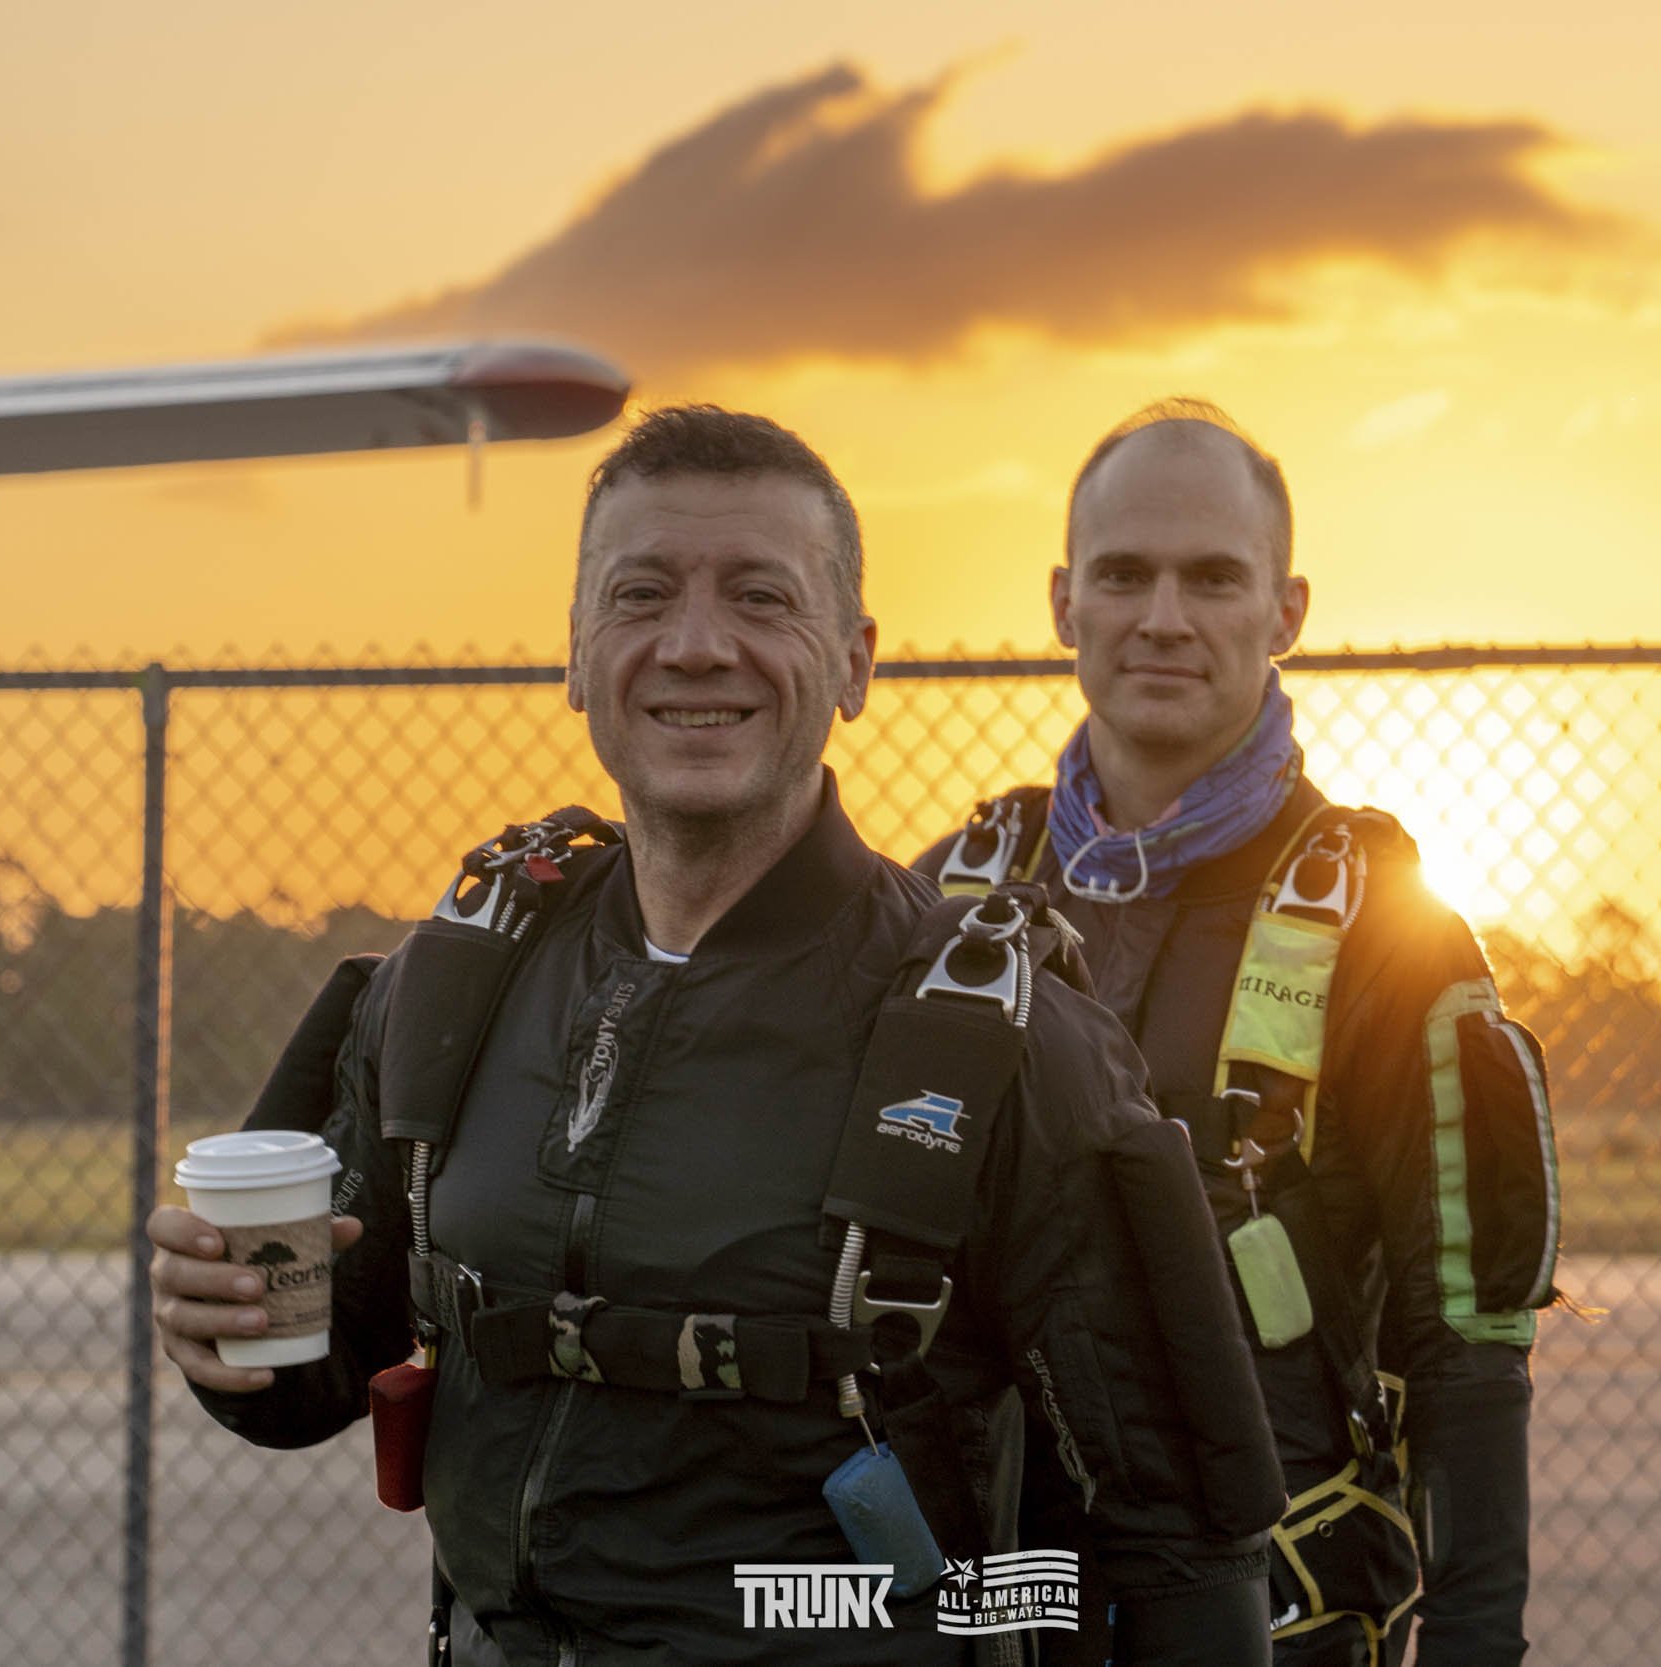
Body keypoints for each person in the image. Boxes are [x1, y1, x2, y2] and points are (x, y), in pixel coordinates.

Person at [147, 405, 1285, 1665]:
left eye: (759, 597)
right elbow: (310, 1374)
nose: (696, 646)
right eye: (641, 596)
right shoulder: (448, 984)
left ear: (854, 663)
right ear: (576, 652)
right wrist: (226, 1333)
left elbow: (1180, 1552)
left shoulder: (1005, 1045)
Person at [916, 403, 1559, 1666]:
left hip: (1278, 1618)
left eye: (1213, 577)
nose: (1163, 616)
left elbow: (1467, 1348)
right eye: (1122, 574)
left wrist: (1474, 1642)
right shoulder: (946, 895)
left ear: (1286, 612)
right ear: (1062, 601)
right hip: (987, 1609)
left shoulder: (1393, 926)